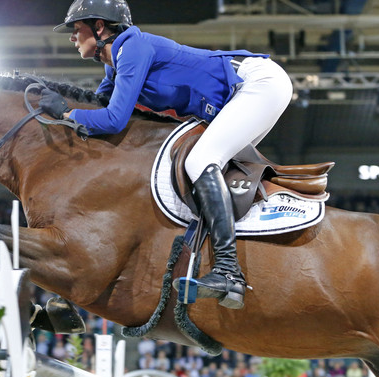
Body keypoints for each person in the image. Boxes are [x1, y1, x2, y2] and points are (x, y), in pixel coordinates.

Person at [45, 0, 293, 310]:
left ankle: (229, 273)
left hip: (257, 84)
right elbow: (101, 110)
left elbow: (114, 120)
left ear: (99, 26)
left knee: (200, 161)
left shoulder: (131, 47)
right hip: (240, 95)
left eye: (76, 29)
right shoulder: (115, 64)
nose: (71, 37)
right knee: (199, 176)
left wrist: (68, 113)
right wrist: (60, 109)